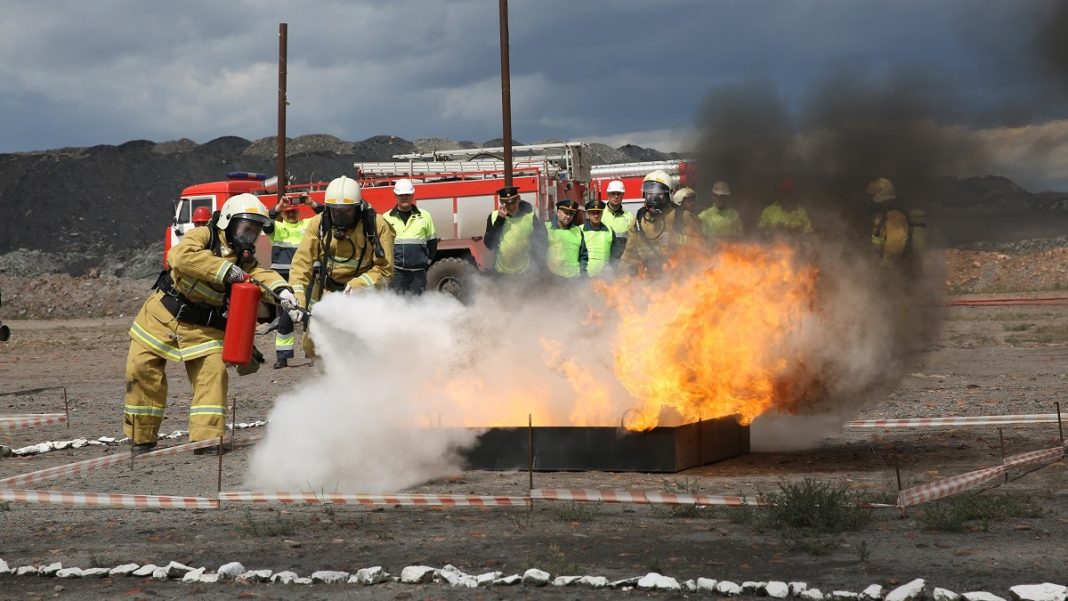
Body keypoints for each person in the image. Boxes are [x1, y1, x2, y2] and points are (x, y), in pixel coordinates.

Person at [123, 194, 300, 456]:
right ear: (229, 221)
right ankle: (142, 438)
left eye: (255, 230)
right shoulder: (204, 236)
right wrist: (224, 270)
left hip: (204, 326)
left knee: (213, 374)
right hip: (161, 316)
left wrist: (282, 292)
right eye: (245, 228)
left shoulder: (244, 257)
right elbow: (180, 256)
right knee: (141, 369)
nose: (249, 236)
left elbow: (260, 275)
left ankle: (205, 440)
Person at [288, 175, 395, 358]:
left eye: (346, 211)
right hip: (326, 291)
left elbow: (385, 269)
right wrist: (297, 298)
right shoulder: (320, 223)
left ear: (358, 208)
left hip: (363, 296)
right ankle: (332, 381)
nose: (340, 216)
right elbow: (301, 263)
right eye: (335, 211)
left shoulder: (375, 225)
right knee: (314, 345)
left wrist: (357, 285)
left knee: (363, 346)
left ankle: (365, 380)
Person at [265, 195, 312, 369]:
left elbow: (325, 217)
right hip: (283, 277)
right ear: (283, 214)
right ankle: (283, 357)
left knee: (307, 313)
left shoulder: (306, 225)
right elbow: (265, 222)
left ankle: (312, 352)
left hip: (303, 274)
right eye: (288, 212)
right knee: (285, 316)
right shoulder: (276, 227)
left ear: (298, 211)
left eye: (293, 211)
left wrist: (311, 203)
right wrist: (277, 208)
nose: (291, 214)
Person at [618, 170, 680, 276]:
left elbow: (696, 246)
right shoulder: (639, 219)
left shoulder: (679, 216)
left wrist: (675, 239)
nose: (653, 198)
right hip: (649, 279)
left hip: (676, 276)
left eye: (658, 193)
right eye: (649, 193)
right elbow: (629, 253)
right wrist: (621, 276)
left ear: (669, 193)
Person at [383, 178, 438, 295]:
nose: (404, 197)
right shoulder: (386, 218)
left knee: (417, 306)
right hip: (396, 274)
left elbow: (432, 244)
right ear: (395, 195)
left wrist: (425, 264)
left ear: (413, 194)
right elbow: (382, 246)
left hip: (418, 274)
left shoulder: (425, 216)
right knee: (396, 305)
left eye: (407, 194)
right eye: (401, 195)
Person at [483, 185, 547, 276]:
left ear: (519, 199)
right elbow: (489, 244)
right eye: (507, 204)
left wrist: (539, 268)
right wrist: (500, 220)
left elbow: (539, 242)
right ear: (501, 202)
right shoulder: (493, 217)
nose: (511, 207)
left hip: (526, 272)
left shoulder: (529, 216)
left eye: (513, 203)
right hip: (501, 273)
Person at [867, 177, 926, 266]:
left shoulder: (894, 216)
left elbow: (894, 245)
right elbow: (879, 239)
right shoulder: (884, 215)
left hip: (893, 268)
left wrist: (885, 265)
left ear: (879, 196)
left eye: (872, 196)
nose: (870, 201)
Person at [546, 199, 587, 278]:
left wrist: (582, 275)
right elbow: (539, 254)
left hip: (574, 280)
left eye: (571, 214)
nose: (568, 216)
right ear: (558, 212)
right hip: (553, 280)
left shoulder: (578, 231)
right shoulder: (547, 229)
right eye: (566, 213)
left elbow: (583, 256)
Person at [583, 199, 619, 278]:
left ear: (602, 213)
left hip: (605, 278)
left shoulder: (610, 230)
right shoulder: (580, 231)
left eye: (598, 212)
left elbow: (615, 254)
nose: (596, 216)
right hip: (585, 278)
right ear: (588, 214)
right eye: (593, 213)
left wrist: (613, 270)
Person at [601, 179, 634, 261]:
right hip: (604, 260)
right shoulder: (599, 214)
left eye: (618, 194)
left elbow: (633, 241)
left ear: (622, 195)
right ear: (608, 194)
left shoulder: (629, 216)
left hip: (622, 260)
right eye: (613, 193)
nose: (616, 196)